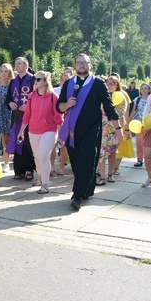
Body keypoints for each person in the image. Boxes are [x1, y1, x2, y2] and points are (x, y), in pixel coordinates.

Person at [57, 54, 122, 210]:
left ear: (90, 65)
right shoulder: (69, 83)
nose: (81, 65)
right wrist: (66, 104)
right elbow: (58, 106)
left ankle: (77, 195)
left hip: (91, 130)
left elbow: (109, 106)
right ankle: (87, 189)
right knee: (77, 163)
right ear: (74, 66)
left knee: (86, 160)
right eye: (78, 63)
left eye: (84, 63)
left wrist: (118, 128)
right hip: (72, 130)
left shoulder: (98, 83)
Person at [17, 71, 62, 194]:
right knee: (37, 157)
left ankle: (45, 184)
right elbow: (27, 115)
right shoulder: (32, 96)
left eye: (38, 79)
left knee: (43, 156)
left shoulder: (53, 97)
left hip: (49, 130)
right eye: (35, 79)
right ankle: (40, 177)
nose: (35, 82)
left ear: (45, 81)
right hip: (33, 130)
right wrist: (21, 131)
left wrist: (61, 135)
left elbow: (59, 117)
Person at [5, 57, 36, 181]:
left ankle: (29, 169)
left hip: (30, 117)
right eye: (15, 64)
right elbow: (8, 98)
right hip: (17, 117)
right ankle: (18, 170)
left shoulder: (33, 79)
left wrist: (28, 106)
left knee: (27, 143)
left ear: (26, 65)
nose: (16, 66)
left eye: (19, 64)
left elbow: (38, 96)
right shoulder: (13, 82)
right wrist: (10, 104)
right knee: (18, 141)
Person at [100, 74, 129, 183]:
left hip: (114, 128)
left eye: (112, 83)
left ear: (117, 85)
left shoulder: (121, 97)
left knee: (112, 152)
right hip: (102, 128)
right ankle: (101, 176)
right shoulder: (101, 95)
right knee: (100, 152)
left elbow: (121, 112)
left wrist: (110, 109)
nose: (109, 85)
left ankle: (110, 174)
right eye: (108, 83)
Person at [53, 67, 74, 175]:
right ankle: (51, 167)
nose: (63, 81)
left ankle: (61, 167)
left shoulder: (72, 91)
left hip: (67, 120)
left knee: (64, 145)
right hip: (55, 119)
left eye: (66, 80)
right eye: (62, 79)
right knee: (53, 144)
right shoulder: (55, 91)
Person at [128, 83, 151, 167]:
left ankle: (149, 158)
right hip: (138, 122)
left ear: (149, 90)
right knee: (139, 142)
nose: (144, 90)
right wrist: (129, 120)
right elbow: (134, 111)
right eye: (142, 88)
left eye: (146, 88)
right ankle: (139, 159)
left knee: (148, 142)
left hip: (149, 123)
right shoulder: (137, 99)